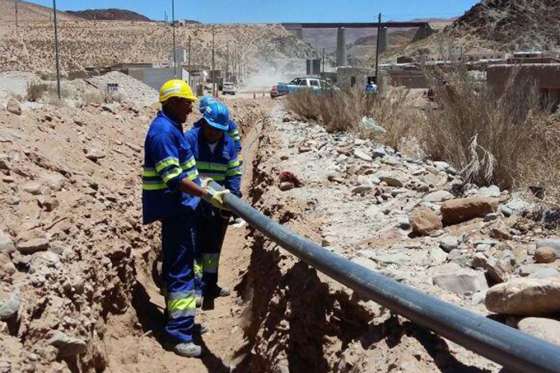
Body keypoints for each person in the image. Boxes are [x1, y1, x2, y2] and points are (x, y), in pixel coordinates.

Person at [142, 79, 230, 358]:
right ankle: (177, 335)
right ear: (172, 102)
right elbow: (173, 178)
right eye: (187, 102)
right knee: (180, 269)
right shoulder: (163, 134)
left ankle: (185, 322)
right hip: (175, 210)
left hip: (184, 209)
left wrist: (206, 190)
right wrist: (206, 194)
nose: (191, 108)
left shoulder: (172, 128)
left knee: (188, 266)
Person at [185, 101, 242, 307]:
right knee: (195, 247)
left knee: (213, 248)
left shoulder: (228, 144)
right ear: (204, 124)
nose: (214, 134)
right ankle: (196, 287)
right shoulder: (190, 139)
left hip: (217, 206)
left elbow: (234, 172)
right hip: (194, 203)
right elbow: (183, 173)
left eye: (219, 130)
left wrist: (232, 199)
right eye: (211, 129)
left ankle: (211, 285)